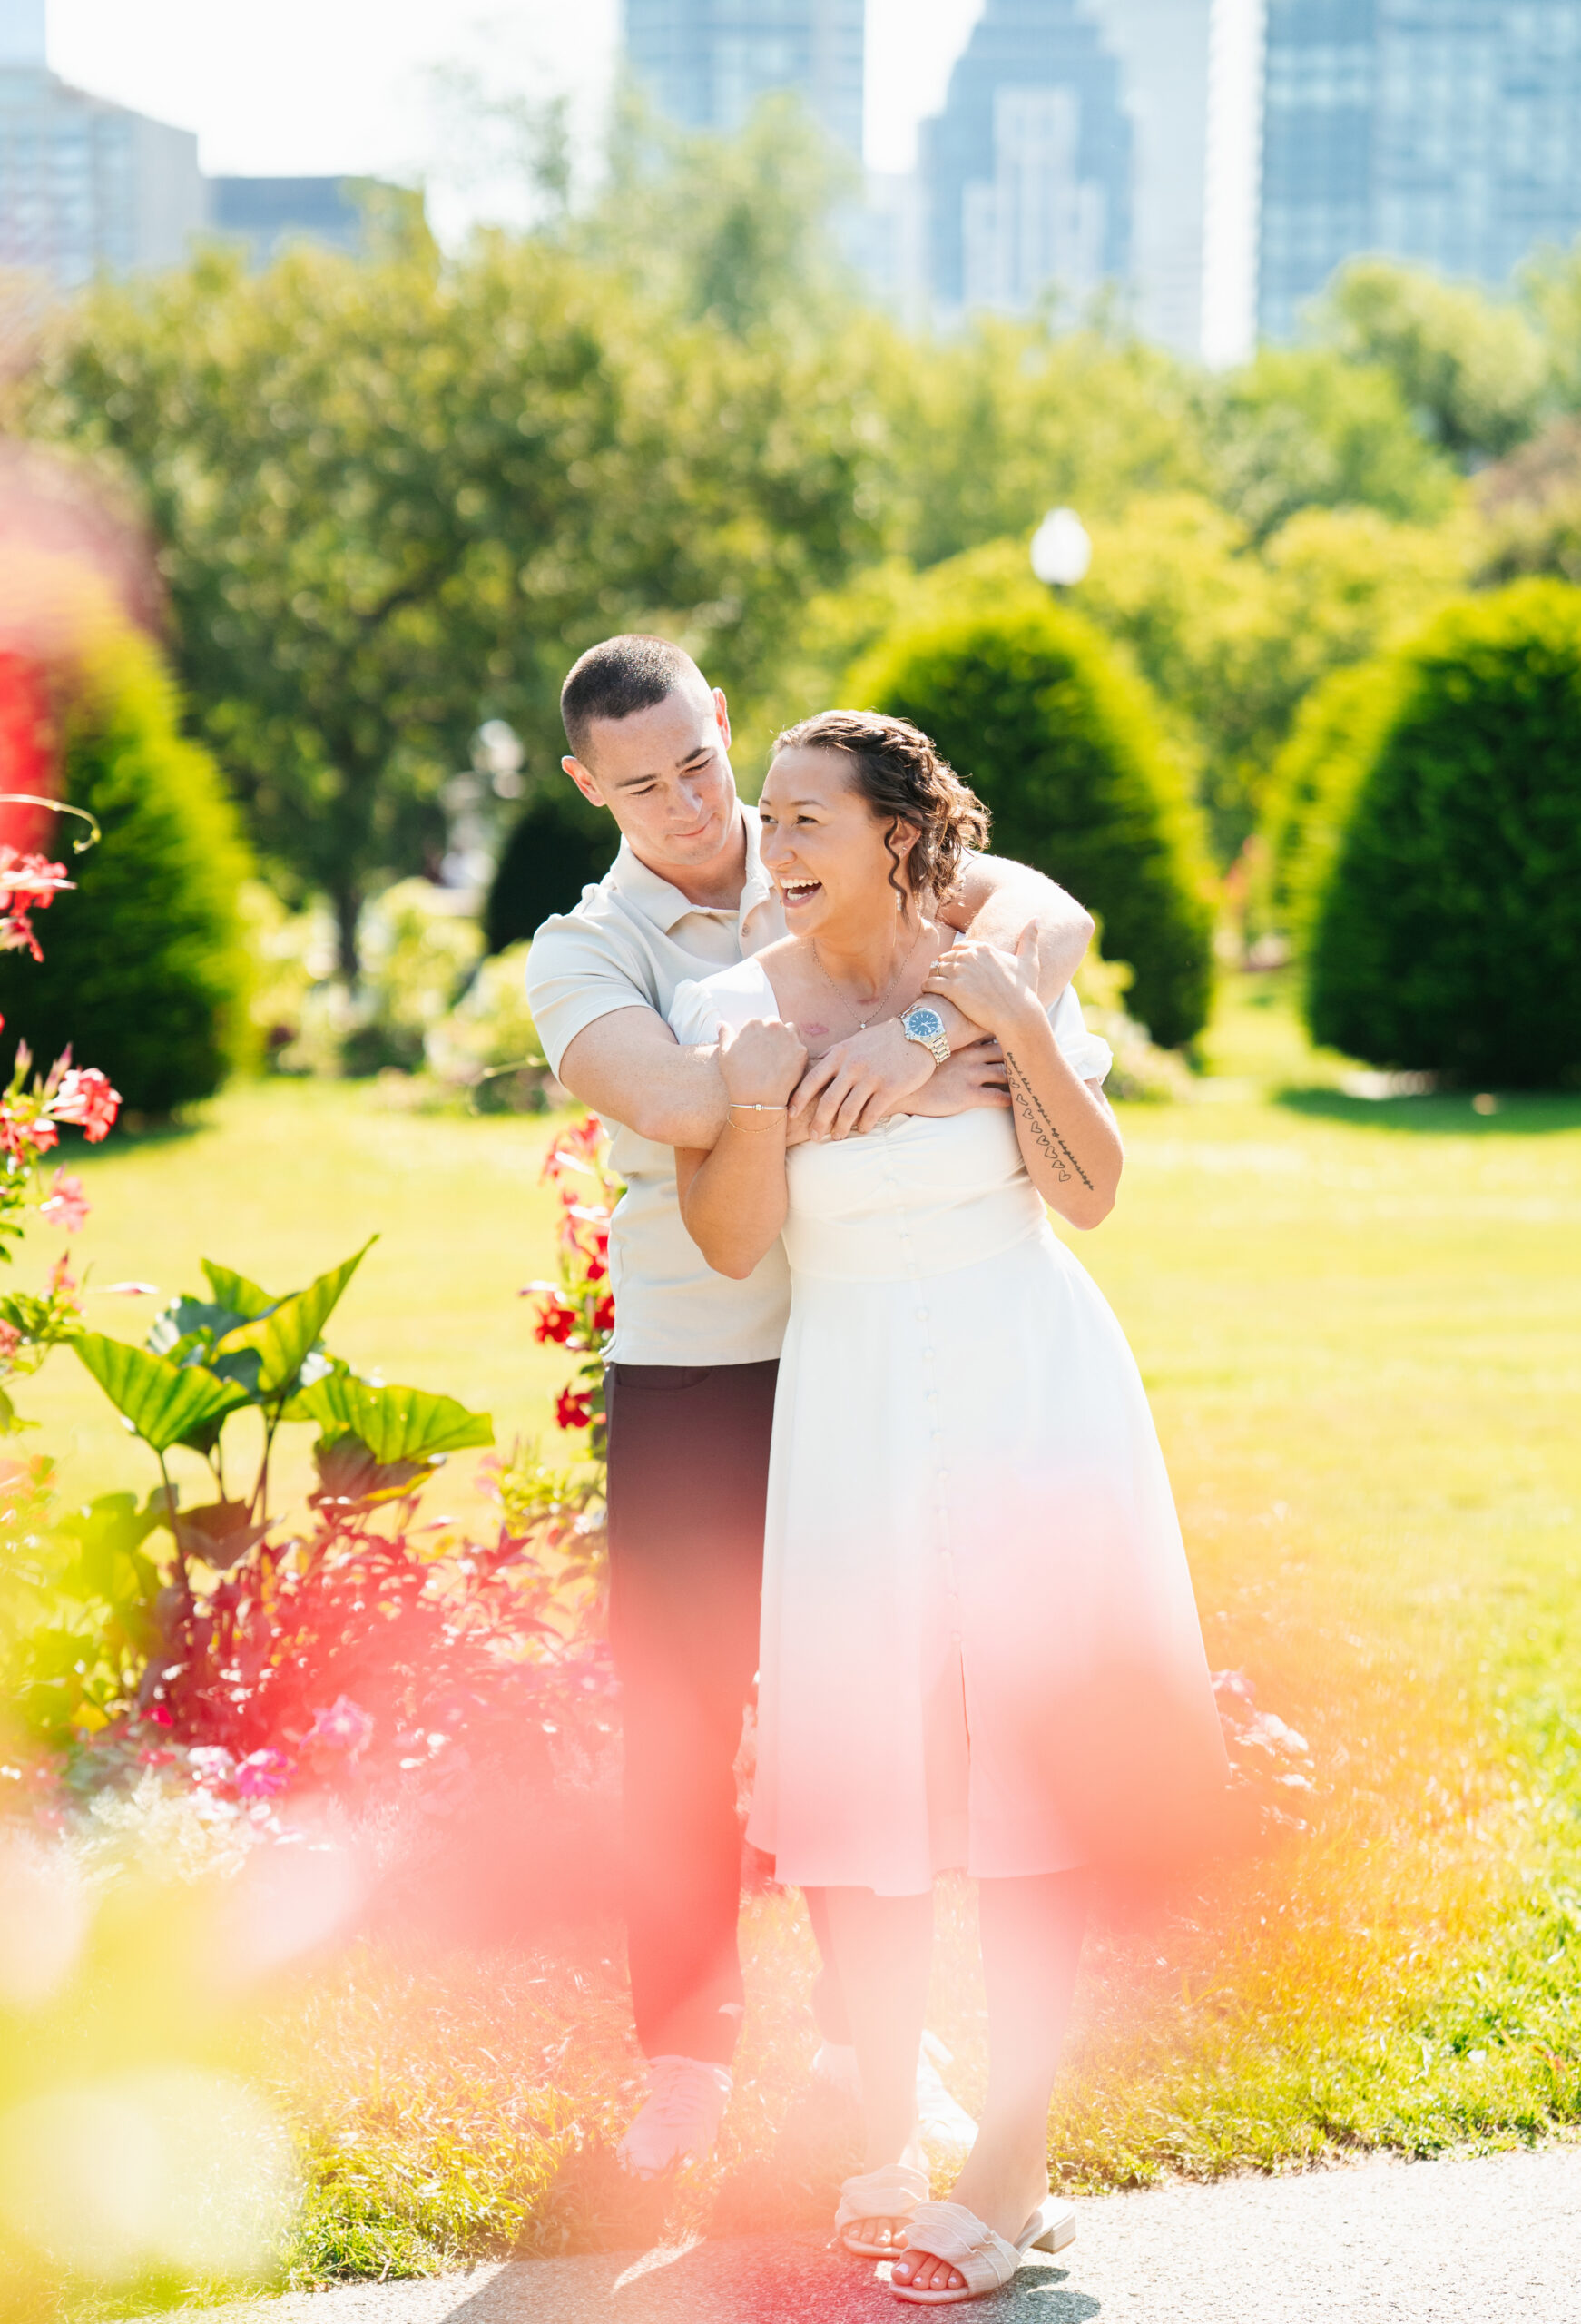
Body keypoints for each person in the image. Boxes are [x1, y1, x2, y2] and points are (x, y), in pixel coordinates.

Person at [670, 711, 1227, 2303]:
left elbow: (1091, 1188)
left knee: (1038, 1774)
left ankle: (1016, 2159)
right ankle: (886, 2147)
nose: (771, 852)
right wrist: (765, 1102)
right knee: (864, 1769)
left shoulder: (994, 972)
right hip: (851, 1412)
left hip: (1030, 1392)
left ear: (899, 836)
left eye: (803, 824)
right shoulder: (734, 1010)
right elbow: (727, 1244)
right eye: (766, 822)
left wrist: (996, 1031)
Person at [525, 637, 1095, 2178]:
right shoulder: (580, 950)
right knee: (684, 1718)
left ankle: (875, 2054)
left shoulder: (826, 836)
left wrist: (924, 1021)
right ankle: (685, 2065)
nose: (694, 808)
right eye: (641, 786)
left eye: (701, 763)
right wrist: (914, 1035)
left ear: (723, 722)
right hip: (702, 1361)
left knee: (872, 1712)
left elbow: (1044, 915)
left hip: (869, 1352)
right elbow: (688, 1097)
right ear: (588, 787)